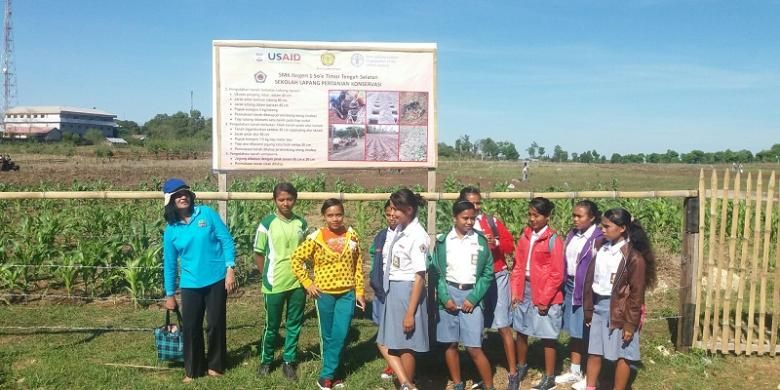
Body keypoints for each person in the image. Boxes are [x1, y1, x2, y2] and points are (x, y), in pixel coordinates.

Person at [161, 178, 236, 383]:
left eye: (184, 193)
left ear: (190, 195)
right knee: (192, 327)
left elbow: (226, 240)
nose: (182, 197)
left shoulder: (207, 214)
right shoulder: (171, 231)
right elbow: (169, 264)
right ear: (170, 201)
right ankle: (192, 370)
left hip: (216, 279)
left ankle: (216, 365)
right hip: (190, 284)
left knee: (215, 324)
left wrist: (230, 268)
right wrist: (169, 294)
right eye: (177, 196)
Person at [291, 198, 365, 390]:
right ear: (324, 216)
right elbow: (296, 259)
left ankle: (325, 375)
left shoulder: (352, 236)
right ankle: (336, 374)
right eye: (330, 215)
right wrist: (307, 283)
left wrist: (360, 291)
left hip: (346, 294)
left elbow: (358, 265)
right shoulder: (316, 238)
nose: (335, 219)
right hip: (324, 294)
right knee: (328, 335)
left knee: (340, 333)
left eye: (338, 214)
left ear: (343, 215)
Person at [581, 208, 656, 390]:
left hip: (621, 310)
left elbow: (636, 294)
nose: (603, 230)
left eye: (607, 226)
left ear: (622, 228)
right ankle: (590, 386)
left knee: (623, 354)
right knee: (594, 352)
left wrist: (630, 324)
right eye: (602, 226)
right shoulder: (600, 247)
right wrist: (589, 309)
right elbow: (592, 279)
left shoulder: (633, 257)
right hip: (599, 306)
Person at [458, 186, 519, 390]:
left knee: (503, 325)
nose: (475, 207)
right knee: (476, 326)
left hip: (496, 275)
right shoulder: (463, 225)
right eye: (471, 203)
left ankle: (513, 372)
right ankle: (482, 373)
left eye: (478, 203)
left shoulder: (490, 222)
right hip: (474, 280)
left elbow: (511, 246)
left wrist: (497, 242)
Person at [430, 200, 496, 390]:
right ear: (454, 218)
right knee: (450, 344)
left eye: (472, 218)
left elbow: (487, 273)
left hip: (471, 295)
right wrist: (445, 298)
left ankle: (489, 386)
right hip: (449, 294)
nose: (469, 222)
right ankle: (458, 383)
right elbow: (438, 273)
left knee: (474, 347)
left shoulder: (480, 241)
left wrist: (474, 298)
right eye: (464, 218)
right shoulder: (443, 241)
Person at [376, 188, 430, 390]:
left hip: (407, 290)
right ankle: (406, 384)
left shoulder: (417, 235)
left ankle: (407, 384)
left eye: (395, 210)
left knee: (406, 345)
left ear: (408, 209)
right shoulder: (400, 229)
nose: (392, 214)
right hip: (395, 288)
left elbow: (419, 276)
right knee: (389, 342)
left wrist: (410, 312)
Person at [254, 183, 308, 379]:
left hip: (297, 283)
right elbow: (258, 253)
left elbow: (307, 252)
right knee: (272, 326)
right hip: (274, 283)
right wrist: (265, 275)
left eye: (290, 199)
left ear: (295, 200)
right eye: (281, 199)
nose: (286, 203)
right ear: (275, 200)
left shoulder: (301, 223)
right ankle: (267, 360)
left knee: (294, 323)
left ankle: (288, 360)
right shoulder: (267, 223)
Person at [510, 197, 564, 390]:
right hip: (524, 288)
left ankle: (550, 375)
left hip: (544, 292)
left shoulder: (553, 240)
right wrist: (516, 291)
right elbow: (517, 265)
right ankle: (521, 365)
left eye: (537, 215)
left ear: (547, 216)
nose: (532, 219)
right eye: (530, 214)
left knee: (547, 334)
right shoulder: (525, 236)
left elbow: (557, 274)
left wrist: (544, 299)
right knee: (521, 329)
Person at [555, 200, 604, 387]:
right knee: (575, 330)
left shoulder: (599, 238)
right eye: (573, 215)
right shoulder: (573, 235)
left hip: (588, 290)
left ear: (591, 218)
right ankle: (575, 370)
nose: (575, 219)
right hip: (570, 286)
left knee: (589, 332)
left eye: (579, 216)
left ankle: (590, 376)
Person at [369, 200, 399, 381]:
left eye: (395, 214)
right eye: (388, 214)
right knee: (382, 326)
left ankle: (398, 364)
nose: (392, 218)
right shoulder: (381, 235)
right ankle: (391, 363)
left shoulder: (406, 235)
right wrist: (374, 278)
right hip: (380, 289)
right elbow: (374, 256)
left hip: (396, 289)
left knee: (397, 328)